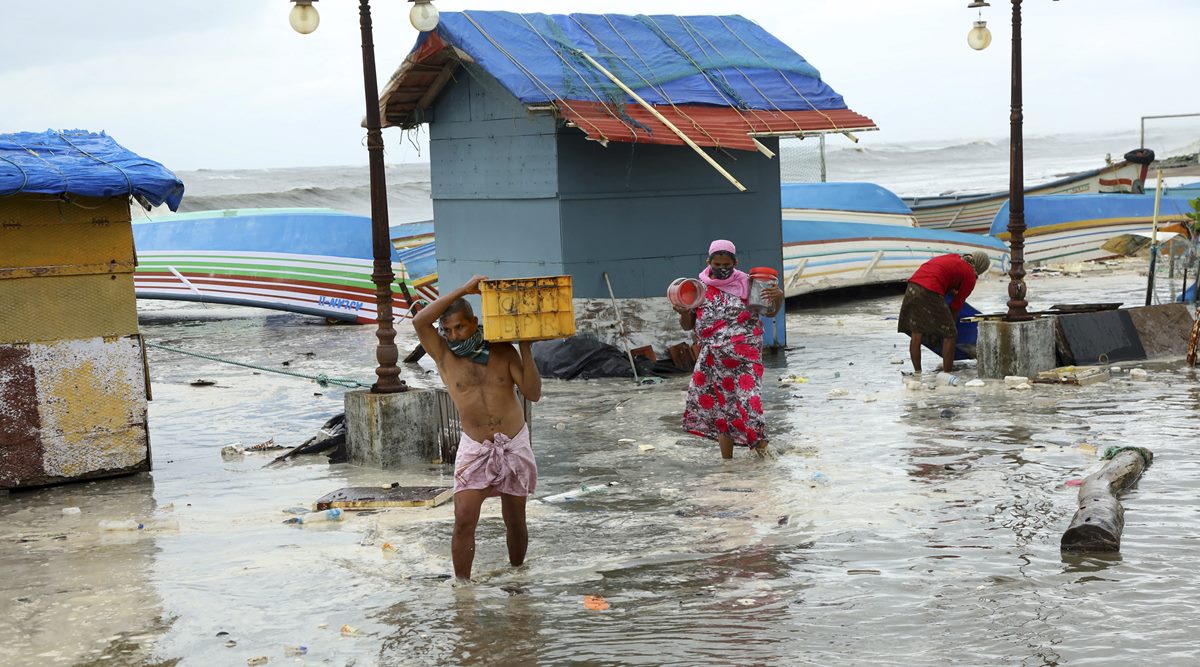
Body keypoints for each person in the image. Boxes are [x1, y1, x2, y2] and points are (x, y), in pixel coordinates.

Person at [411, 275, 542, 582]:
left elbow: (533, 393)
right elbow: (420, 321)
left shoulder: (502, 351)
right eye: (448, 330)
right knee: (463, 519)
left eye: (460, 327)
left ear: (474, 323)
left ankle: (518, 579)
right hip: (475, 448)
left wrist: (525, 348)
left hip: (513, 444)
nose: (454, 335)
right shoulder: (443, 355)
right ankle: (463, 589)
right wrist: (462, 289)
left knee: (515, 520)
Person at [675, 240, 783, 460]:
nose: (722, 268)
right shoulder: (698, 288)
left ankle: (765, 455)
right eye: (717, 263)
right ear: (709, 262)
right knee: (723, 412)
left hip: (746, 357)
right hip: (715, 359)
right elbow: (688, 325)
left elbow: (768, 313)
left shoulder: (749, 284)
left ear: (736, 262)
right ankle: (727, 466)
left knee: (749, 403)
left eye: (727, 264)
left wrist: (778, 297)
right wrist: (683, 311)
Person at [897, 251, 991, 374]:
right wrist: (944, 329)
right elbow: (956, 306)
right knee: (950, 335)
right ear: (981, 267)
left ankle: (917, 373)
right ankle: (947, 374)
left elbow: (944, 277)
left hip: (913, 285)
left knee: (917, 332)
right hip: (931, 290)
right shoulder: (970, 276)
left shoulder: (956, 258)